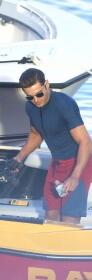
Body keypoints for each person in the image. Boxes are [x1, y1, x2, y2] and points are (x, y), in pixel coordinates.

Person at [11, 68, 92, 224]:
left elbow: (86, 142)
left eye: (39, 94)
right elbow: (36, 135)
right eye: (30, 96)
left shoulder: (64, 105)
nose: (36, 100)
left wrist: (75, 177)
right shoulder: (30, 107)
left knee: (69, 219)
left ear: (46, 84)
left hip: (80, 163)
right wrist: (19, 157)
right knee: (50, 217)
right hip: (57, 163)